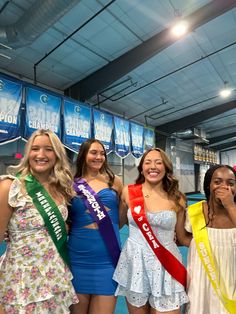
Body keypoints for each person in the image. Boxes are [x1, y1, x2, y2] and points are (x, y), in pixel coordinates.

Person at [0, 129, 78, 313]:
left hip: (53, 277)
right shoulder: (10, 187)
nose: (41, 155)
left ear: (57, 155)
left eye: (48, 149)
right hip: (20, 281)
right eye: (35, 149)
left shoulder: (61, 189)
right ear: (28, 153)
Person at [113, 148, 189, 314]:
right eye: (148, 162)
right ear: (141, 168)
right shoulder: (128, 192)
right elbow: (116, 224)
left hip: (166, 265)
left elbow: (182, 238)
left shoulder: (178, 197)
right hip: (135, 263)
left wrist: (213, 241)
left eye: (158, 162)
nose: (152, 166)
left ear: (166, 168)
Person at [67, 139, 123, 314]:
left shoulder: (115, 182)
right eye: (93, 152)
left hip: (107, 261)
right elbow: (65, 220)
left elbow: (121, 219)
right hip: (77, 260)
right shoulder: (70, 184)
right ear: (83, 155)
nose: (98, 157)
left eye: (102, 153)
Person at [185, 164, 236, 314]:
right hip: (200, 281)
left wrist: (230, 205)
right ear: (208, 186)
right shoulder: (194, 212)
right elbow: (182, 239)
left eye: (231, 183)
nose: (224, 187)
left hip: (230, 282)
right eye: (217, 182)